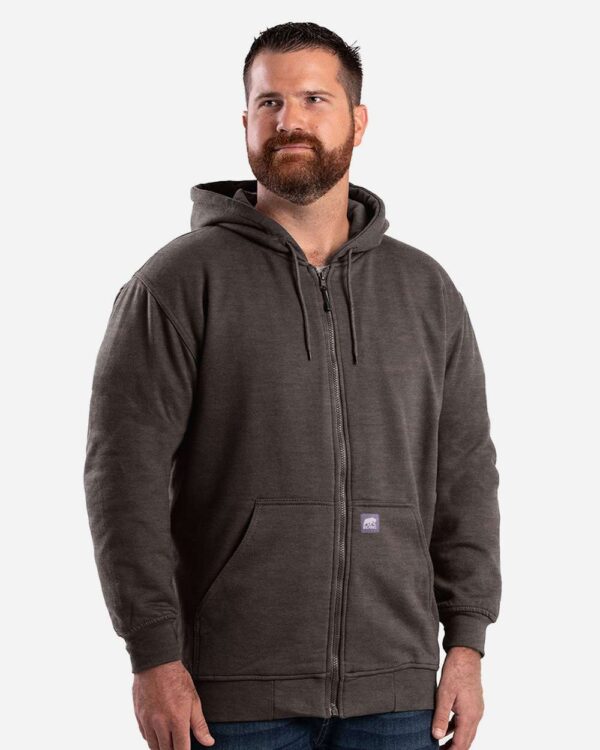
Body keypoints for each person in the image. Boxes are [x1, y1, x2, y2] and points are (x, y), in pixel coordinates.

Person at [83, 21, 501, 750]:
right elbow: (123, 480)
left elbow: (465, 474)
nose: (290, 121)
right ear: (246, 121)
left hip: (399, 694)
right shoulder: (177, 284)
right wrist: (153, 655)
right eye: (270, 103)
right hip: (229, 699)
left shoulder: (426, 291)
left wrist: (466, 642)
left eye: (314, 99)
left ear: (358, 121)